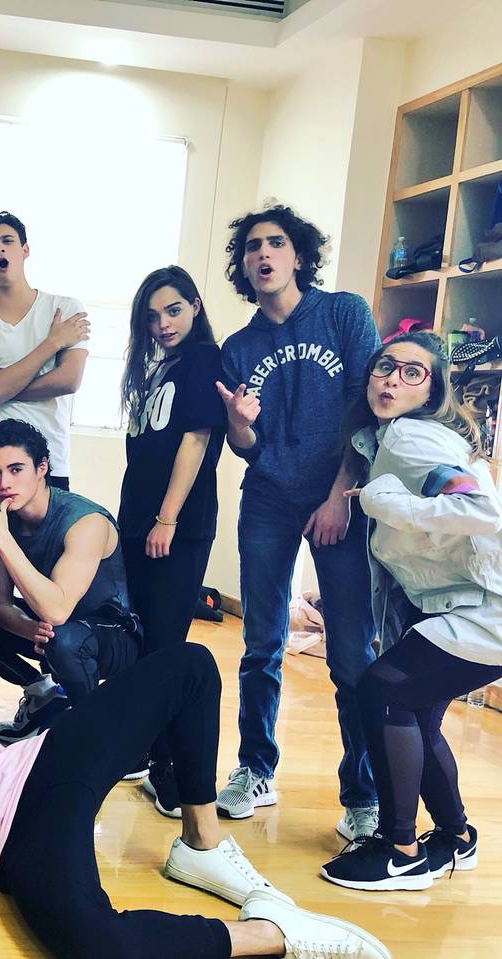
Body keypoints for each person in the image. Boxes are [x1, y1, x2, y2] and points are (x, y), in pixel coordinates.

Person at [0, 632, 392, 959]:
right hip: (17, 844)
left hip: (42, 765)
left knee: (190, 665)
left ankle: (201, 841)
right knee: (94, 944)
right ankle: (275, 934)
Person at [216, 204, 380, 839]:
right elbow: (247, 446)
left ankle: (363, 793)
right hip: (268, 498)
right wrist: (239, 425)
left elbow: (367, 409)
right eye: (253, 246)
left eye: (276, 243)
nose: (263, 254)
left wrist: (340, 494)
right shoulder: (238, 348)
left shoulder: (343, 314)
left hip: (341, 492)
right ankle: (256, 769)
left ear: (299, 255)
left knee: (351, 653)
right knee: (261, 643)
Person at [320, 333, 501, 890]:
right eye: (385, 366)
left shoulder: (412, 437)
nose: (392, 379)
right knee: (417, 712)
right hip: (462, 604)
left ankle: (399, 849)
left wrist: (384, 501)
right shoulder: (388, 439)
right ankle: (456, 837)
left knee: (383, 692)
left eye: (413, 373)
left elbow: (479, 508)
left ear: (431, 391)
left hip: (486, 609)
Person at [118, 266, 226, 811]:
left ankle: (169, 767)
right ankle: (144, 748)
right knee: (143, 641)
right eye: (153, 316)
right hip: (140, 522)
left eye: (174, 310)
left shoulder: (205, 359)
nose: (163, 324)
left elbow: (196, 441)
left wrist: (167, 520)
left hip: (175, 527)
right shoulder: (160, 366)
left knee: (164, 645)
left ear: (196, 306)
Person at [0, 419, 140, 745]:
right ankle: (43, 696)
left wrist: (2, 539)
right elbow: (0, 604)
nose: (4, 483)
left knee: (63, 638)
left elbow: (56, 611)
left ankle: (99, 738)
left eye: (16, 469)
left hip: (114, 636)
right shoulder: (0, 523)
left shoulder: (85, 522)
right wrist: (29, 629)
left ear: (42, 467)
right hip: (52, 629)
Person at [0, 211, 91, 573]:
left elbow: (68, 380)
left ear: (25, 249)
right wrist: (52, 344)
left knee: (48, 572)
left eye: (7, 241)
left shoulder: (66, 309)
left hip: (46, 458)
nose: (0, 250)